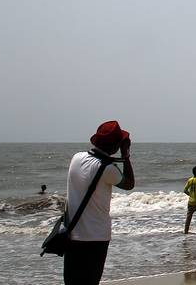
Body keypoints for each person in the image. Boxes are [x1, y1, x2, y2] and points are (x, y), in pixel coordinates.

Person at [64, 120, 135, 285]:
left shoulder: (76, 158)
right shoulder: (107, 170)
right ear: (115, 146)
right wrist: (126, 155)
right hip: (96, 237)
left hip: (72, 233)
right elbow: (129, 184)